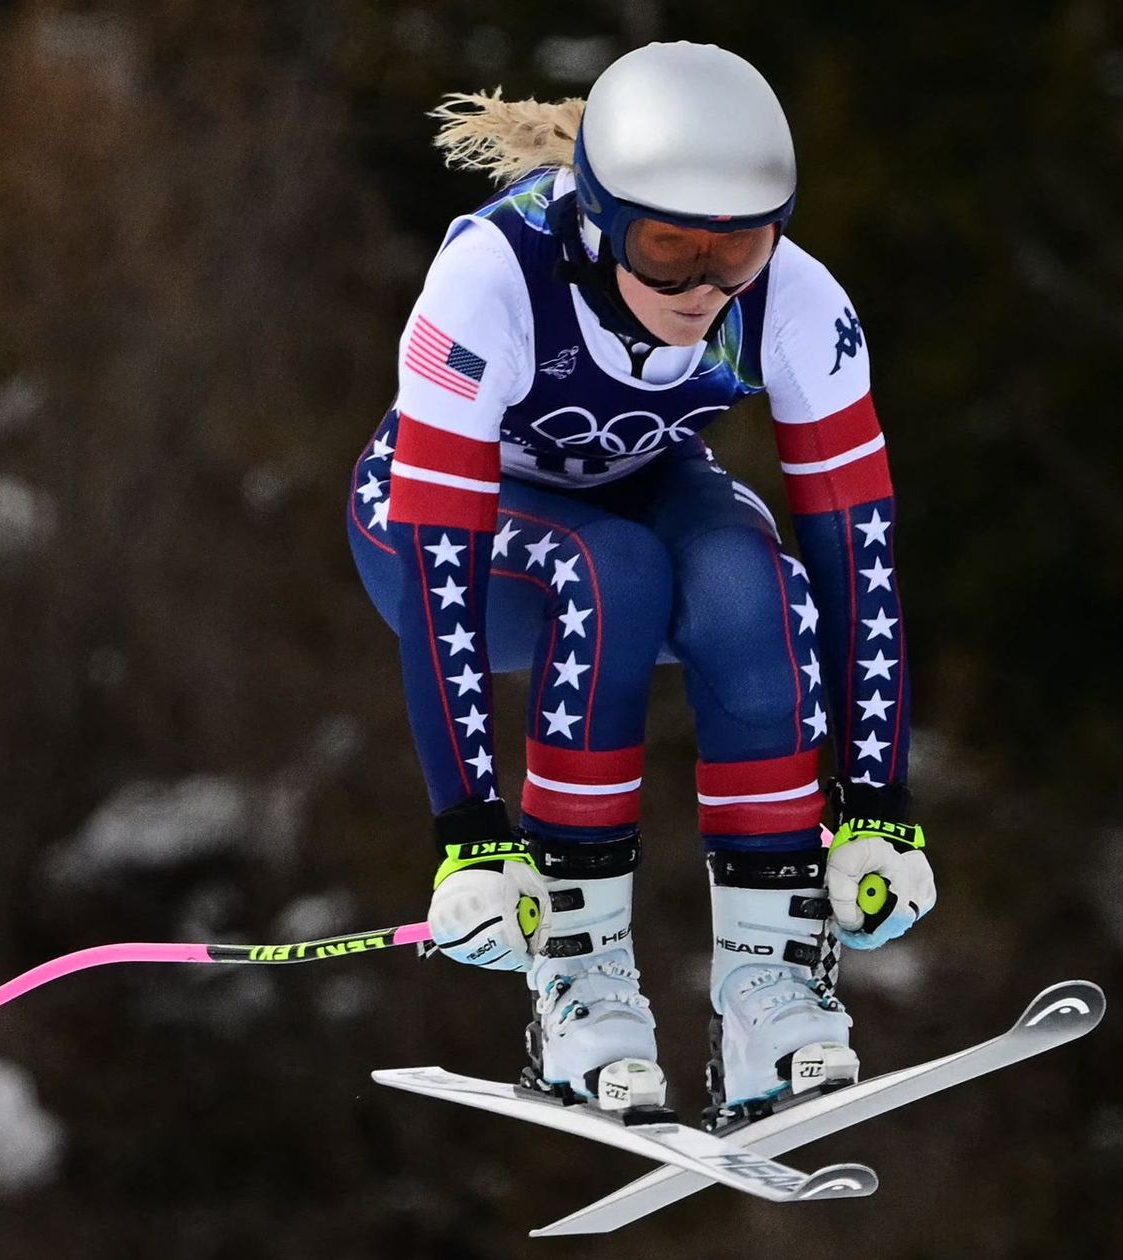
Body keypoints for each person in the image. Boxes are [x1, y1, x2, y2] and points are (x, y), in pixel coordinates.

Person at [347, 42, 936, 1130]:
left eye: (738, 252)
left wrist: (878, 809)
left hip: (634, 493)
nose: (703, 290)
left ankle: (769, 992)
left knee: (751, 577)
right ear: (597, 219)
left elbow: (860, 549)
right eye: (667, 250)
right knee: (610, 571)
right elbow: (438, 563)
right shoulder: (492, 277)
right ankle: (580, 984)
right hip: (445, 542)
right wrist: (471, 834)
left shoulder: (795, 300)